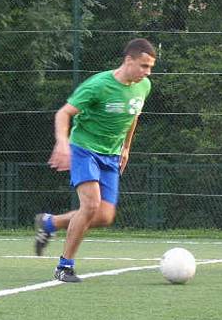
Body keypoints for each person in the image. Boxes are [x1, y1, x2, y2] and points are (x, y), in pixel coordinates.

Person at [34, 38, 156, 282]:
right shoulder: (98, 85)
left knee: (104, 216)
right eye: (144, 66)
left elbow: (133, 115)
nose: (148, 72)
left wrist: (126, 147)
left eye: (150, 67)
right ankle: (64, 267)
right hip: (84, 149)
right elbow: (64, 113)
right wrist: (62, 142)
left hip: (111, 154)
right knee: (90, 206)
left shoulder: (144, 86)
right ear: (129, 60)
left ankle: (49, 223)